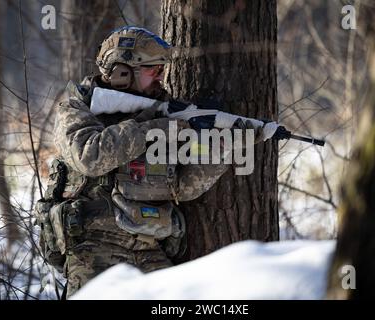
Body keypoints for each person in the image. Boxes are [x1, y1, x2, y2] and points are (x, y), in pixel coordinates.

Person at [36, 26, 244, 298]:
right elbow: (90, 156)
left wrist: (221, 147)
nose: (160, 78)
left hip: (151, 249)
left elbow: (181, 187)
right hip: (95, 250)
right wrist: (155, 128)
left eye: (161, 70)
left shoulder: (166, 112)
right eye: (152, 70)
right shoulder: (78, 108)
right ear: (121, 72)